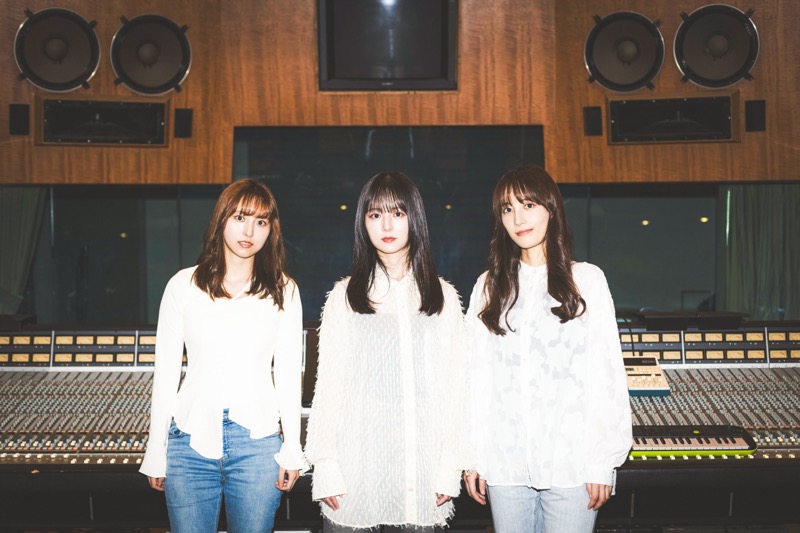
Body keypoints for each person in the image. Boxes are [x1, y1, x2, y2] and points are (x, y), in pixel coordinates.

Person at [463, 166, 632, 532]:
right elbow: (474, 378)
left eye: (528, 205)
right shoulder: (488, 287)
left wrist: (602, 461)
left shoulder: (587, 280)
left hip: (572, 465)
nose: (518, 218)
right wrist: (473, 456)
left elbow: (606, 376)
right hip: (505, 465)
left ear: (551, 209)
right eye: (507, 209)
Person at [304, 171, 468, 532]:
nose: (387, 225)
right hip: (355, 471)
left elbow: (456, 388)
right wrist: (324, 464)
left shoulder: (442, 297)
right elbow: (328, 385)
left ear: (415, 218)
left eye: (398, 213)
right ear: (363, 223)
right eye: (375, 214)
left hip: (422, 473)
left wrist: (450, 464)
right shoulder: (344, 296)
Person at [140, 179, 304, 533]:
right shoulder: (182, 286)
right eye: (240, 217)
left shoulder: (284, 290)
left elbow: (289, 374)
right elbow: (165, 373)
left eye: (261, 221)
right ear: (221, 219)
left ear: (271, 230)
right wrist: (155, 449)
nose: (249, 231)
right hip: (189, 441)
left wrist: (293, 447)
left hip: (258, 444)